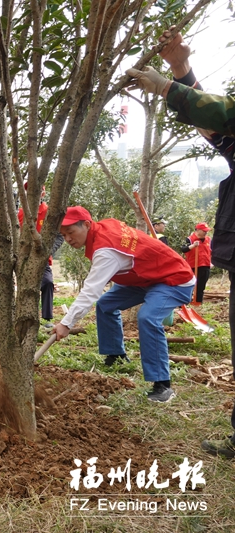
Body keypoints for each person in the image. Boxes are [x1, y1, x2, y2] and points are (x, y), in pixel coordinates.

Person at [127, 27, 235, 456]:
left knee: (150, 317)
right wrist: (181, 71)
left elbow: (225, 115)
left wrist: (169, 86)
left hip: (180, 281)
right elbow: (221, 129)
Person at [54, 206, 194, 403]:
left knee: (148, 317)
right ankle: (116, 354)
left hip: (172, 279)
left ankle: (163, 384)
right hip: (144, 278)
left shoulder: (105, 250)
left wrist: (66, 323)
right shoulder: (101, 229)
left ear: (87, 225)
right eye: (63, 235)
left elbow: (90, 291)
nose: (68, 239)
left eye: (71, 232)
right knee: (106, 304)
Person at [17, 182, 64, 327]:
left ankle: (46, 318)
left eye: (38, 192)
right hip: (24, 258)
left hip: (42, 259)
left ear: (43, 194)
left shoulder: (50, 213)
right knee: (25, 287)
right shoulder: (20, 213)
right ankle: (24, 317)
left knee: (48, 283)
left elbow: (60, 236)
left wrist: (48, 250)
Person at [180, 223, 211, 306]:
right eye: (204, 231)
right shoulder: (189, 239)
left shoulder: (208, 239)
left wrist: (212, 262)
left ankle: (198, 303)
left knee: (201, 286)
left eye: (206, 231)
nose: (206, 233)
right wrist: (193, 246)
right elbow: (183, 249)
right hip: (193, 266)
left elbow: (212, 251)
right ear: (198, 230)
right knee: (189, 285)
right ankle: (185, 303)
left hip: (205, 266)